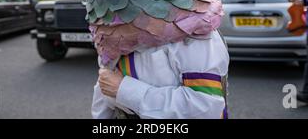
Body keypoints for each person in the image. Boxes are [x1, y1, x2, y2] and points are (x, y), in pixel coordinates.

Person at [93, 30, 230, 119]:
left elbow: (205, 107)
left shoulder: (195, 29)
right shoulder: (113, 26)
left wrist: (123, 90)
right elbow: (105, 83)